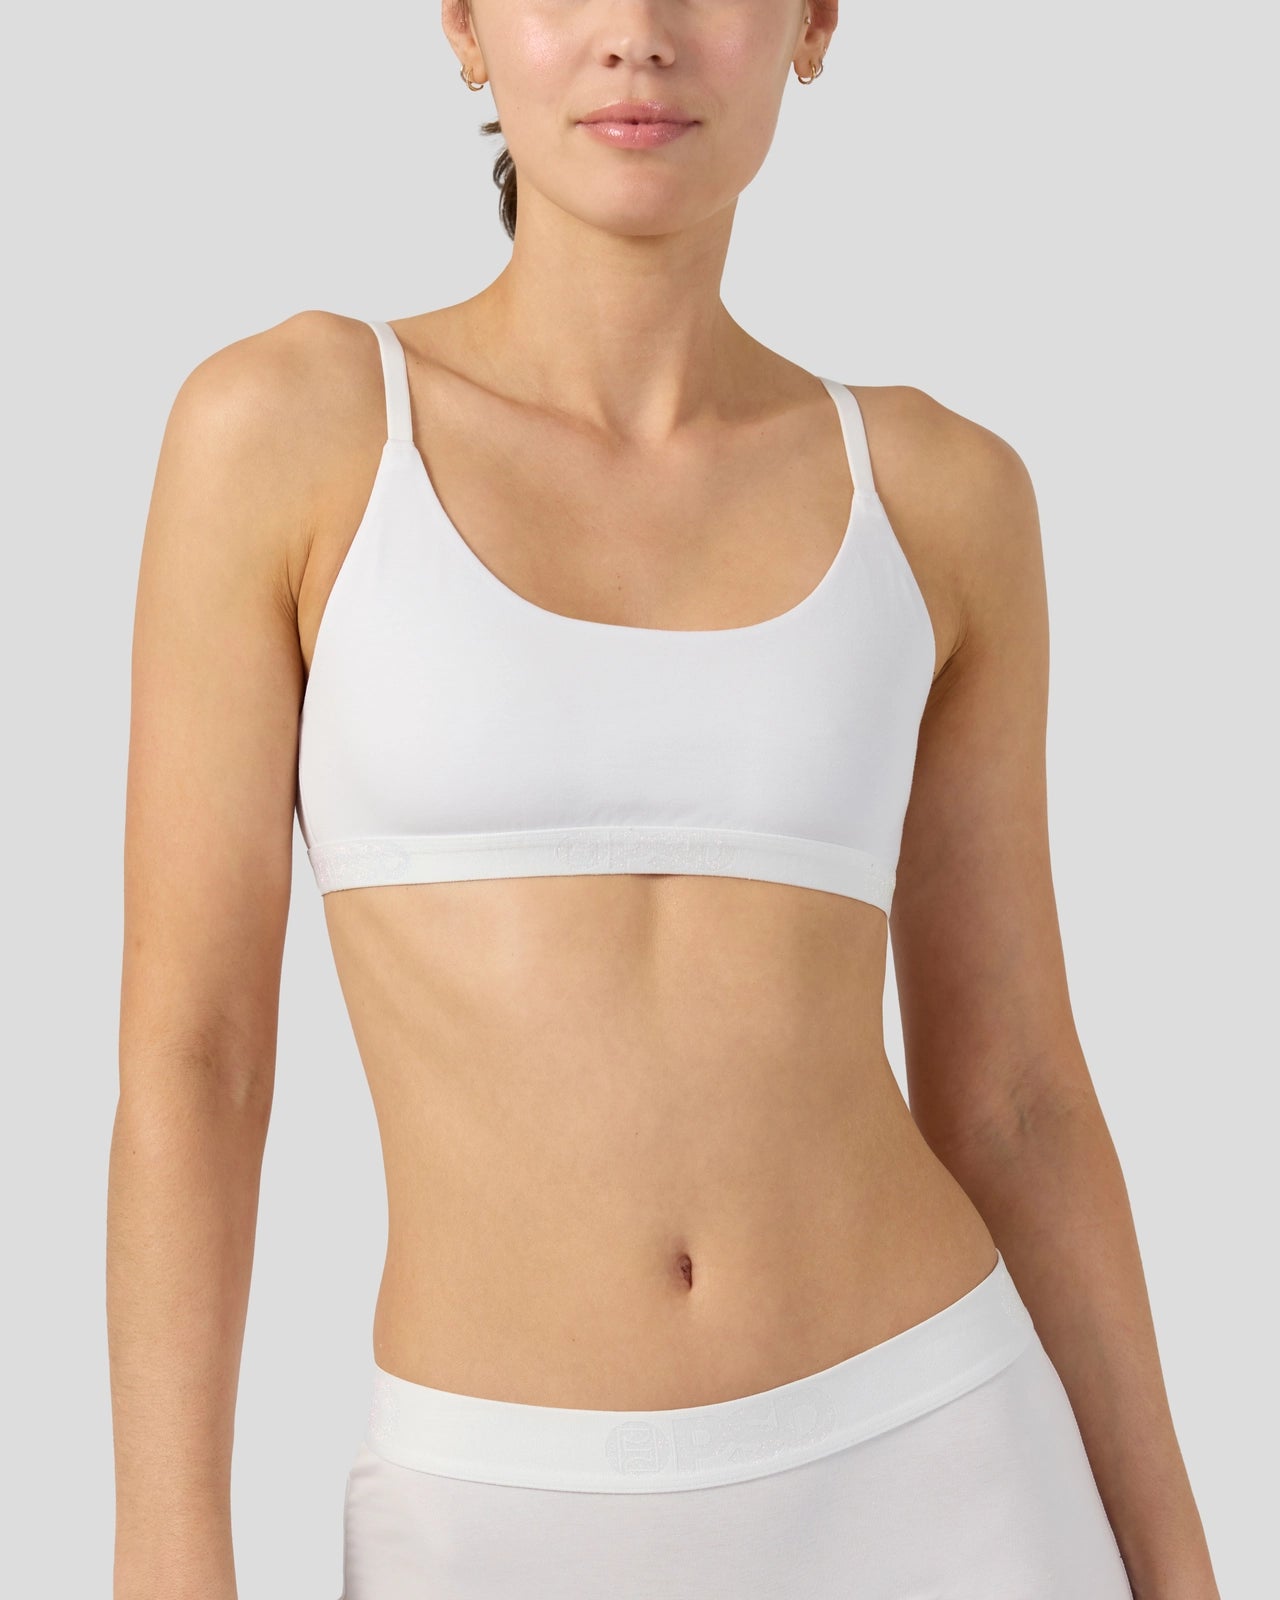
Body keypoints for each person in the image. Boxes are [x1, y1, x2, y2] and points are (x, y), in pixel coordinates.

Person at [107, 3, 1220, 1597]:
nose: (637, 34)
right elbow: (198, 1057)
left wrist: (1178, 1568)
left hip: (941, 1459)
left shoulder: (938, 492)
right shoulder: (292, 434)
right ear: (465, 25)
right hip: (500, 1509)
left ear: (813, 24)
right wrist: (167, 1555)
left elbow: (1019, 1100)